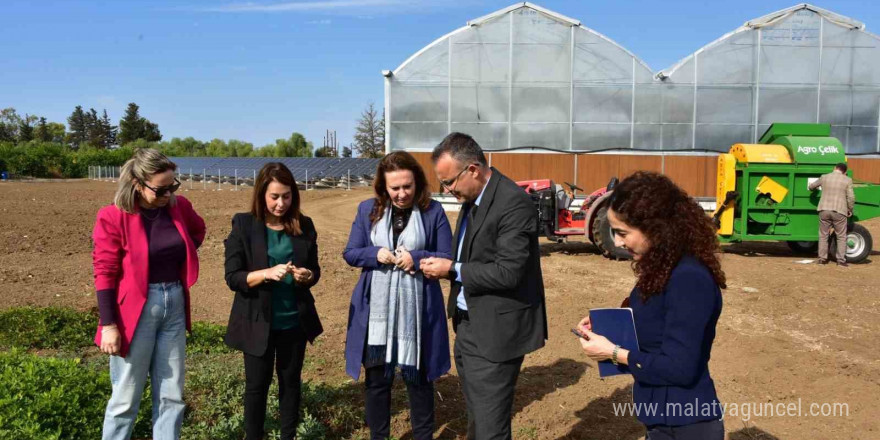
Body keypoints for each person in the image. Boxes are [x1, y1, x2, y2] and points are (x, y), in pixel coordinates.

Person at [577, 171, 726, 440]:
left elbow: (679, 367)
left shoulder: (689, 279)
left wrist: (613, 353)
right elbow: (650, 323)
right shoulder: (663, 269)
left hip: (686, 424)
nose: (619, 242)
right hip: (661, 419)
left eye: (623, 233)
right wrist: (604, 326)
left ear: (656, 228)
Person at [421, 133, 547, 440]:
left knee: (491, 427)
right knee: (479, 417)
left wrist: (451, 268)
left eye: (449, 182)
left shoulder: (512, 204)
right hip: (469, 325)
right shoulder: (474, 198)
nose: (447, 191)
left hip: (496, 333)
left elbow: (509, 272)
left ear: (473, 169)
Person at [92, 148, 206, 440]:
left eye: (173, 186)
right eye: (161, 189)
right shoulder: (113, 217)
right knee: (125, 397)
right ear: (137, 184)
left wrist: (178, 255)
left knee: (172, 395)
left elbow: (197, 230)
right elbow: (104, 271)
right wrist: (108, 325)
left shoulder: (178, 207)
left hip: (175, 302)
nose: (169, 194)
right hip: (134, 312)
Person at [343, 151, 452, 440]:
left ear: (417, 182)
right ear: (383, 187)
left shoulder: (433, 211)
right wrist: (375, 253)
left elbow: (446, 256)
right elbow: (351, 253)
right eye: (395, 188)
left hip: (416, 312)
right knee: (377, 382)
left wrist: (416, 258)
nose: (402, 194)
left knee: (419, 382)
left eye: (407, 186)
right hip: (378, 313)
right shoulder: (368, 210)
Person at [223, 163, 323, 440]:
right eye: (274, 197)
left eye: (287, 196)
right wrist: (265, 273)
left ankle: (287, 436)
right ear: (261, 195)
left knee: (290, 384)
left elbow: (314, 270)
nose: (281, 203)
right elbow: (233, 277)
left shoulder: (304, 225)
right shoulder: (243, 224)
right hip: (258, 322)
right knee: (257, 386)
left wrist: (307, 275)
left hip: (294, 321)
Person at [808, 162, 855, 266]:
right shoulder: (847, 180)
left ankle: (822, 259)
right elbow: (851, 197)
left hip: (824, 210)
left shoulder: (824, 177)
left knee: (823, 235)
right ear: (845, 172)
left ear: (835, 168)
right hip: (839, 211)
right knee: (841, 236)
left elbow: (811, 186)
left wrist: (814, 190)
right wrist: (850, 209)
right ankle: (841, 261)